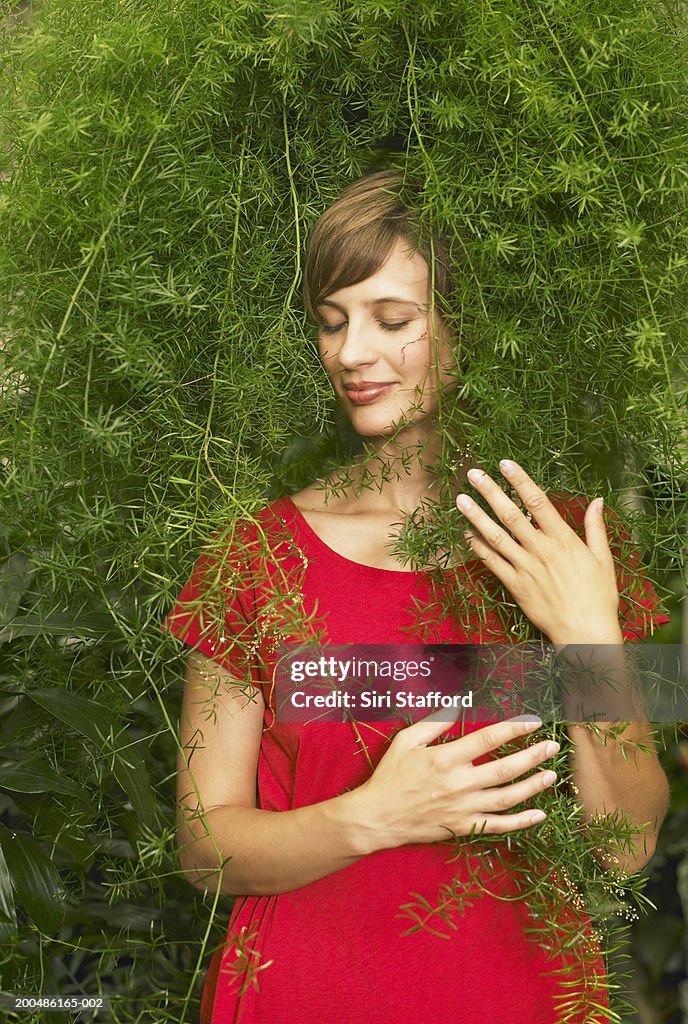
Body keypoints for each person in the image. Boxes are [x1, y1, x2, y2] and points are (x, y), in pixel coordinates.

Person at [165, 169, 671, 1024]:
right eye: (332, 323)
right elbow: (204, 848)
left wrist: (586, 631)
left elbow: (628, 848)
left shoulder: (578, 544)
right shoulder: (254, 558)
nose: (350, 353)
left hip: (527, 998)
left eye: (391, 320)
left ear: (468, 329)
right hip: (304, 996)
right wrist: (375, 816)